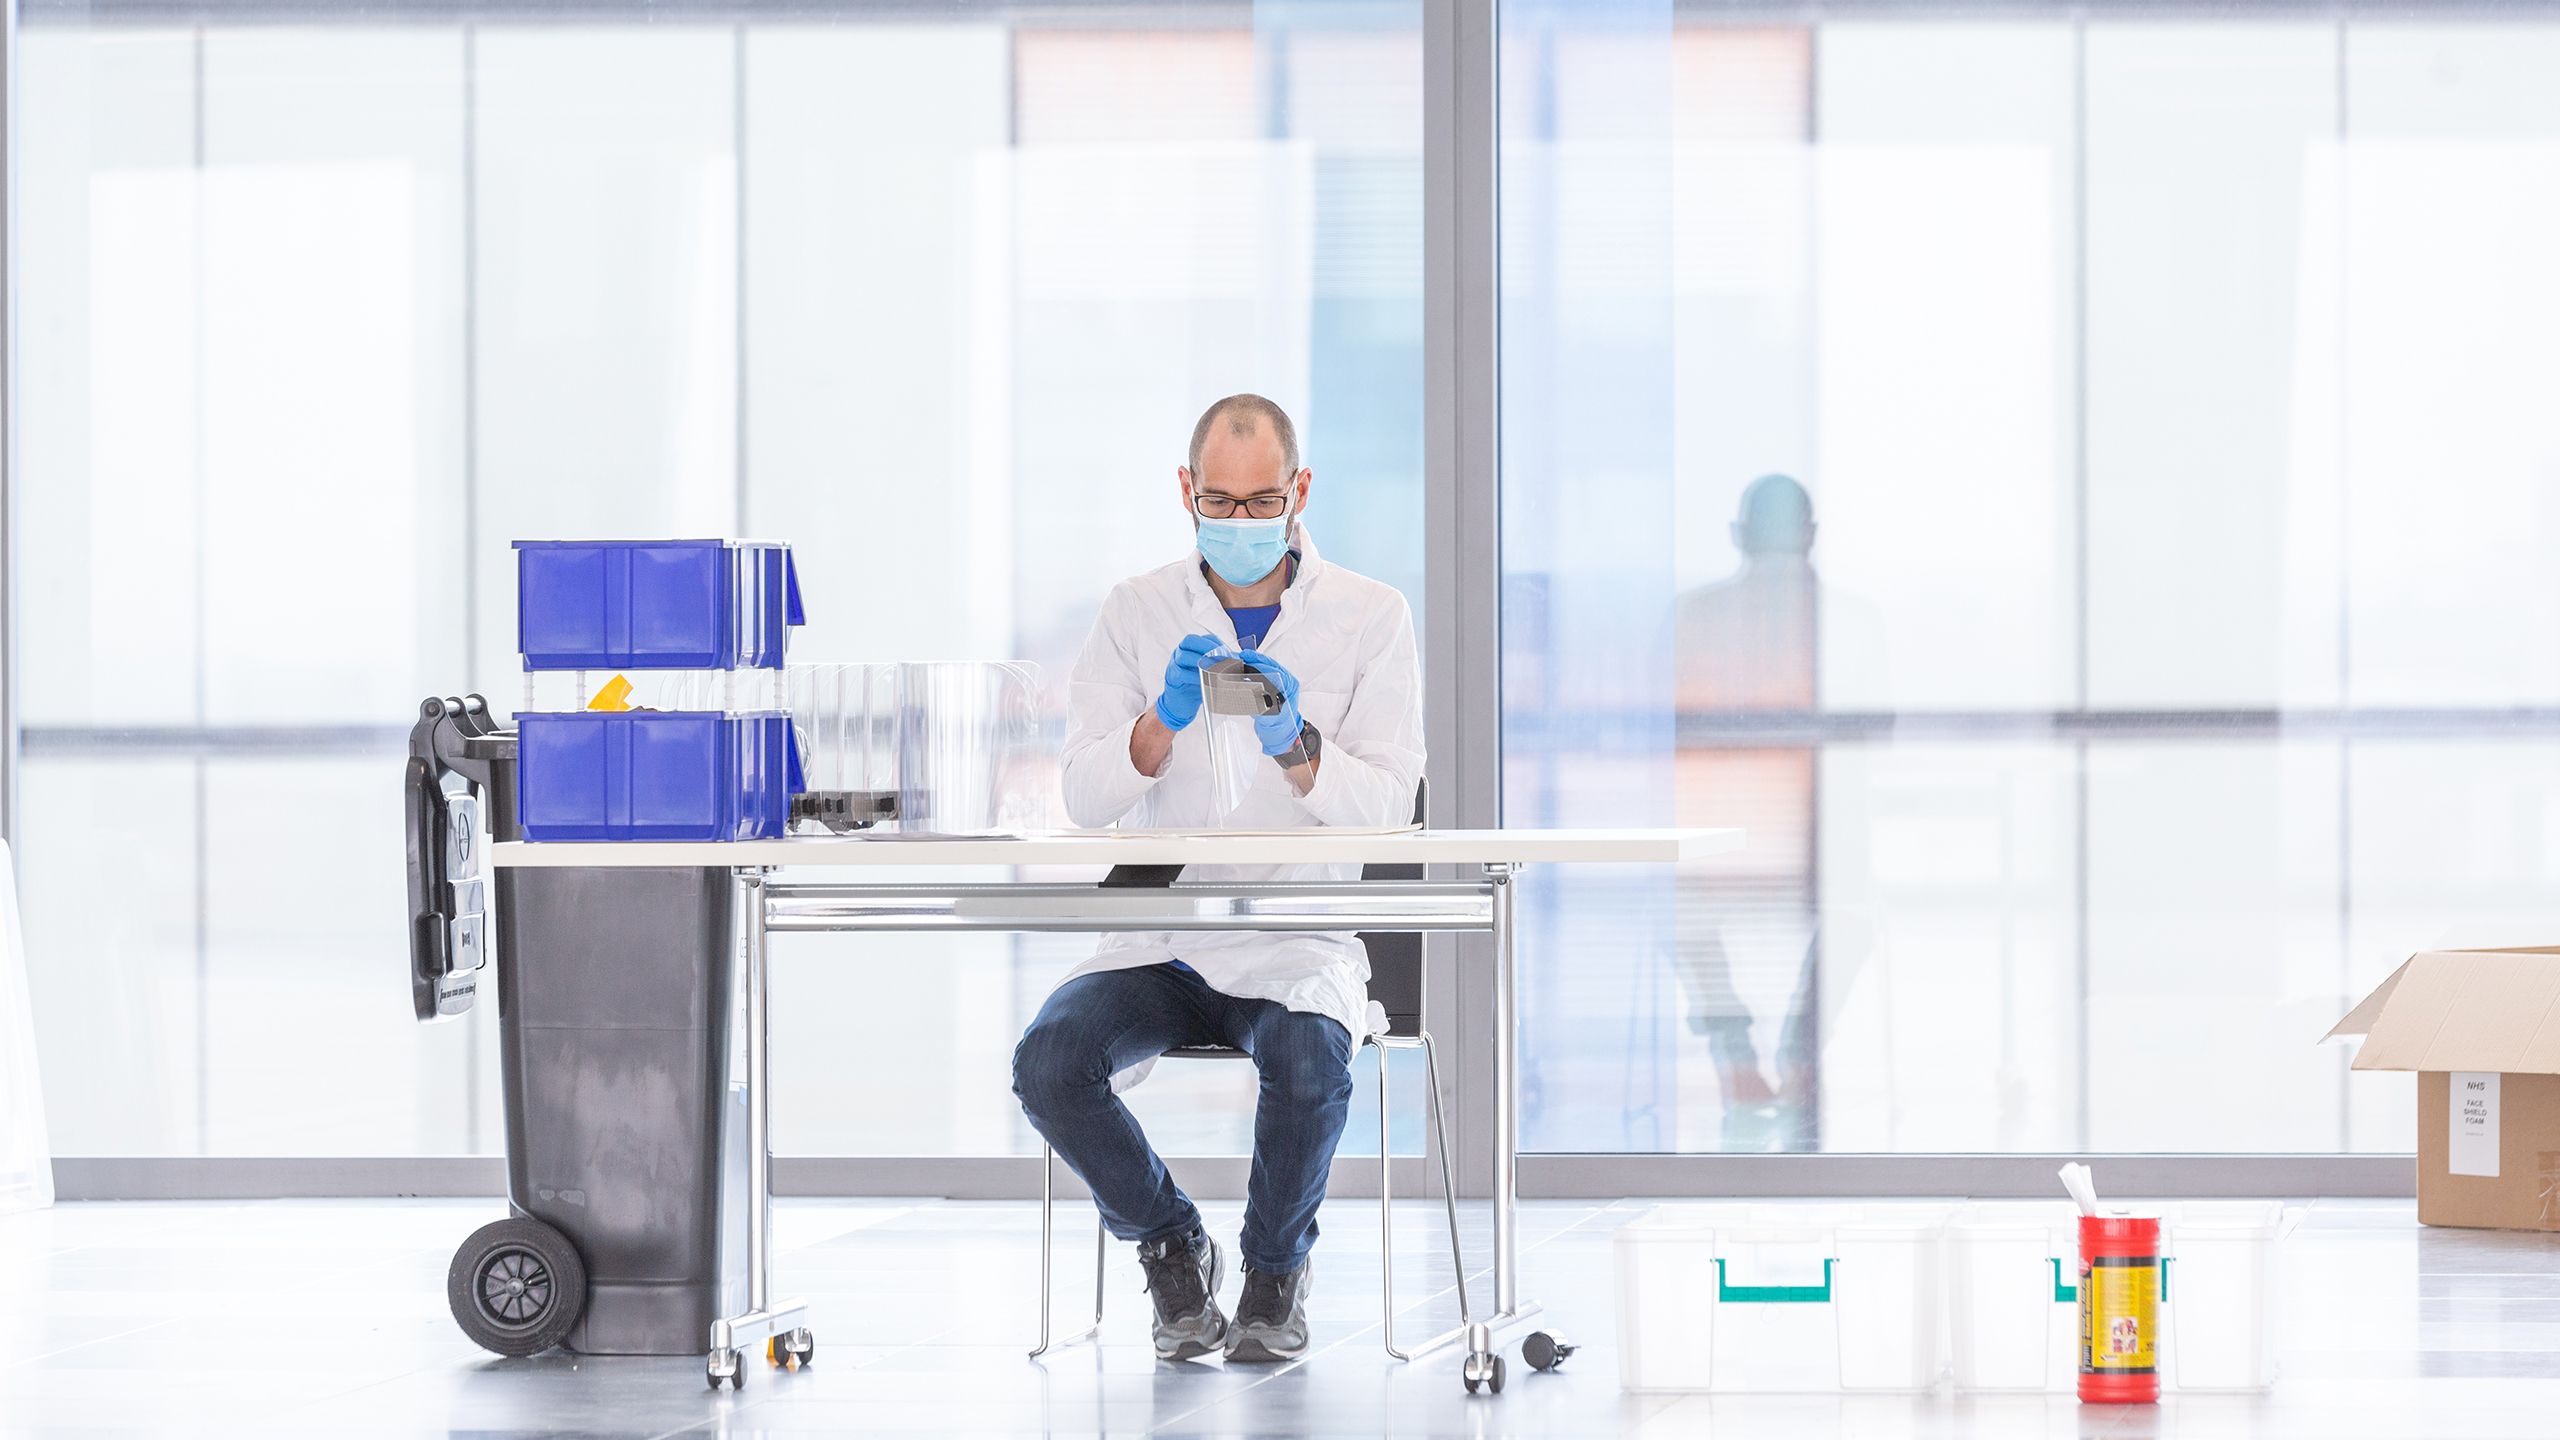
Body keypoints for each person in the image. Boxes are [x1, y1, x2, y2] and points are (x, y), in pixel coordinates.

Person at [1012, 394, 1423, 1364]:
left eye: (1261, 501)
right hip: (1165, 939)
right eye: (1221, 502)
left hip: (1294, 935)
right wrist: (1160, 722)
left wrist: (1297, 743)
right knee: (1049, 1064)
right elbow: (1082, 795)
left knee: (1309, 1061)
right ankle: (1168, 1244)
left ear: (1300, 491)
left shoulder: (1371, 617)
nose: (1240, 523)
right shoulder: (1136, 610)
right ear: (1186, 491)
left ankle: (1275, 1276)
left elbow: (1391, 808)